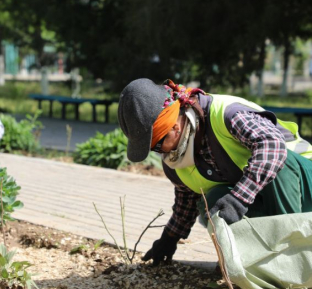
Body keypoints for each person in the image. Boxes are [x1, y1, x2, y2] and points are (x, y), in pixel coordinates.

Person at [118, 78, 312, 266]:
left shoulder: (227, 115)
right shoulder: (176, 158)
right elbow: (187, 199)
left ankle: (298, 259)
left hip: (304, 188)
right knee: (215, 201)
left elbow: (272, 145)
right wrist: (169, 238)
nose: (161, 153)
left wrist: (239, 199)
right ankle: (261, 264)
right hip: (267, 200)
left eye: (158, 145)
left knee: (275, 162)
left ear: (175, 127)